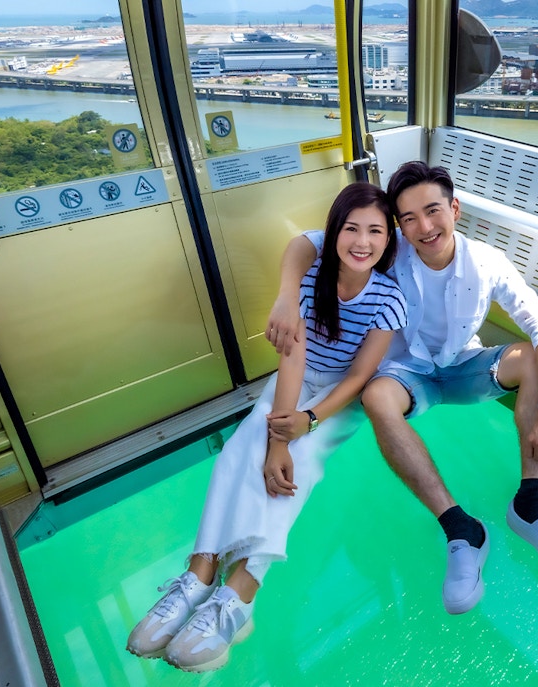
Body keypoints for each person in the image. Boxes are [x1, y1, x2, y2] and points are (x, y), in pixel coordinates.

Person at [266, 162, 538, 616]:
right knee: (375, 396)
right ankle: (461, 529)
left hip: (463, 366)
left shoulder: (488, 262)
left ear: (454, 209)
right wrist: (285, 295)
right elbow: (309, 242)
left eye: (433, 211)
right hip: (408, 373)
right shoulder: (388, 248)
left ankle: (532, 503)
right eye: (409, 218)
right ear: (399, 225)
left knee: (533, 357)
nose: (424, 227)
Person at [127, 182, 407, 671]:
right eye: (351, 228)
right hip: (295, 379)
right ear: (333, 231)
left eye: (375, 232)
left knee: (300, 466)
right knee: (240, 452)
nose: (362, 242)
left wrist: (308, 421)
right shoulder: (312, 274)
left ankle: (243, 592)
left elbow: (360, 376)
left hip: (338, 399)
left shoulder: (388, 298)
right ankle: (200, 571)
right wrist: (279, 434)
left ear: (389, 240)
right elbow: (293, 357)